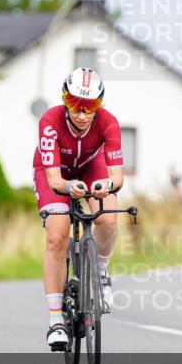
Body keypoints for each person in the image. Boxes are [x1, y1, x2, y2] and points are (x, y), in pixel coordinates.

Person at [33, 68, 124, 349]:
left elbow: (117, 177)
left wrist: (106, 186)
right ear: (65, 100)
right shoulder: (50, 121)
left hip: (90, 167)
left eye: (91, 107)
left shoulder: (109, 123)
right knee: (57, 235)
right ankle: (56, 320)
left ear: (100, 104)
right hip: (55, 172)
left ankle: (101, 269)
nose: (83, 115)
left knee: (107, 219)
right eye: (75, 106)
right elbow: (54, 180)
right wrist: (68, 187)